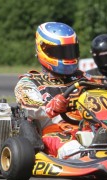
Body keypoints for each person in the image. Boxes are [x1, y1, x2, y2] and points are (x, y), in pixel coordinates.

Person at [15, 22, 100, 160]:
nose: (67, 57)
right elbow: (29, 108)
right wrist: (50, 107)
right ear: (44, 50)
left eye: (70, 51)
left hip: (88, 128)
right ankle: (86, 156)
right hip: (55, 132)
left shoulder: (84, 78)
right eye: (60, 52)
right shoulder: (29, 81)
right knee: (75, 151)